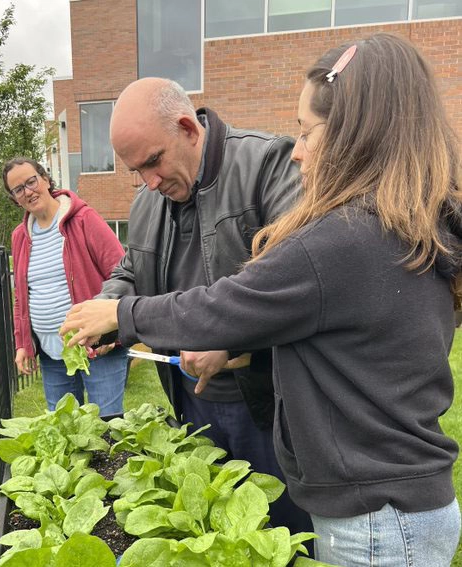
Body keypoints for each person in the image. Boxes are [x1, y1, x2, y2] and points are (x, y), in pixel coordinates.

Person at [62, 33, 462, 566]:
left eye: (306, 131)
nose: (296, 149)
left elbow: (227, 305)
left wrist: (120, 313)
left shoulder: (340, 239)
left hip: (376, 517)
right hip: (393, 501)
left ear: (354, 133)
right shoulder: (397, 222)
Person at [95, 77, 313, 536]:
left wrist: (229, 338)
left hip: (267, 403)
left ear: (188, 129)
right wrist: (106, 305)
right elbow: (132, 269)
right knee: (210, 535)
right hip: (189, 398)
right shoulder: (147, 200)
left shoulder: (268, 163)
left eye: (153, 161)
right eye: (136, 170)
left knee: (280, 532)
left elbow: (289, 280)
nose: (148, 182)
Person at [4, 157, 128, 416]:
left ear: (46, 180)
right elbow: (21, 297)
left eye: (31, 181)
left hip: (96, 348)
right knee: (63, 431)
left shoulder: (84, 219)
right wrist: (22, 343)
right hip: (52, 354)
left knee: (106, 428)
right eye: (18, 189)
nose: (28, 192)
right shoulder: (20, 236)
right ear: (14, 198)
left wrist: (110, 333)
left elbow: (122, 272)